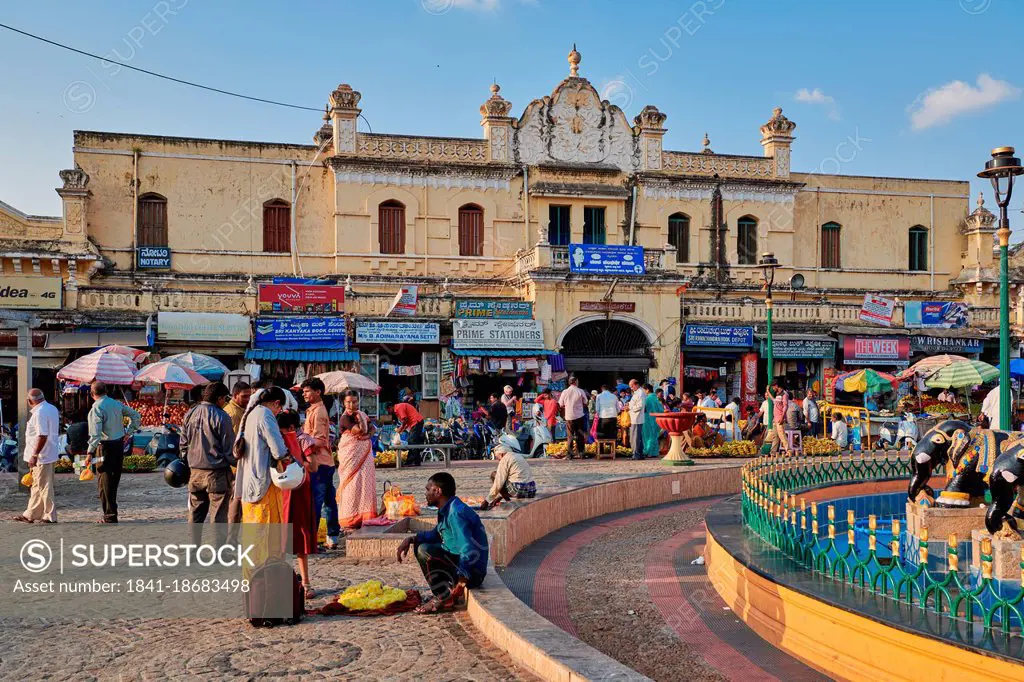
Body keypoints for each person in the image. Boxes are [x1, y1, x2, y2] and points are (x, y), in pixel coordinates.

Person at [396, 472, 488, 614]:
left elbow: (468, 549)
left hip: (472, 573)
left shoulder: (455, 513)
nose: (425, 494)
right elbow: (436, 534)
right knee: (420, 544)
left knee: (424, 551)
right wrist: (411, 539)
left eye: (428, 489)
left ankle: (444, 596)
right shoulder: (447, 509)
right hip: (458, 561)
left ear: (438, 491)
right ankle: (444, 592)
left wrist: (460, 585)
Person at [180, 382, 235, 542]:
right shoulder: (222, 416)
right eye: (224, 399)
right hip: (216, 473)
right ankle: (218, 551)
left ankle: (193, 549)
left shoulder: (190, 413)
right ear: (219, 398)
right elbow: (229, 449)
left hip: (195, 472)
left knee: (195, 515)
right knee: (218, 516)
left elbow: (183, 444)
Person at [83, 381, 141, 523]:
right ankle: (111, 512)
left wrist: (90, 452)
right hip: (118, 445)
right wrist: (129, 432)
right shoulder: (116, 404)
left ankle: (109, 515)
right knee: (113, 480)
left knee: (105, 481)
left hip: (104, 447)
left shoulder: (97, 408)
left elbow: (95, 434)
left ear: (92, 394)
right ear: (106, 391)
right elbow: (136, 416)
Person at [277, 410, 318, 599]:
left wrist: (296, 462)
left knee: (300, 535)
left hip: (300, 491)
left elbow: (313, 466)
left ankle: (306, 582)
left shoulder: (304, 440)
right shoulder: (278, 441)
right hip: (281, 492)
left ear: (291, 428)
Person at [301, 377, 339, 549]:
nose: (304, 394)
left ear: (318, 392)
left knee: (317, 502)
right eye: (303, 391)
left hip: (320, 462)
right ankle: (332, 535)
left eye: (307, 391)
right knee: (329, 500)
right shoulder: (313, 410)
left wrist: (299, 443)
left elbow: (319, 441)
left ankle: (313, 540)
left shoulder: (319, 412)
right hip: (325, 462)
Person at [14, 389, 60, 524]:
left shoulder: (39, 413)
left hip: (42, 456)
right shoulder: (51, 408)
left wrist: (34, 455)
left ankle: (50, 515)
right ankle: (31, 513)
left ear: (30, 401)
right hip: (47, 453)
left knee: (45, 486)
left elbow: (42, 435)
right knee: (37, 485)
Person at [337, 390, 378, 530]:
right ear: (343, 403)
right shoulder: (345, 418)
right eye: (348, 402)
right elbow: (359, 431)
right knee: (351, 484)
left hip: (365, 454)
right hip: (351, 453)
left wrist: (368, 436)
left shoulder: (362, 414)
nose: (351, 404)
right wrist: (360, 419)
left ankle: (365, 515)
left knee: (365, 481)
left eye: (354, 401)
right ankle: (350, 517)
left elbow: (372, 429)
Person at [480, 441, 536, 510]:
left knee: (494, 475)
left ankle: (508, 501)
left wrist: (487, 501)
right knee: (505, 478)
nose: (498, 461)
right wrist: (500, 497)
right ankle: (507, 499)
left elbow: (498, 483)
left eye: (498, 458)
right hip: (531, 490)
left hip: (519, 489)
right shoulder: (518, 456)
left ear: (502, 454)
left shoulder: (505, 459)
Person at [559, 377, 588, 459]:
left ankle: (570, 454)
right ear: (575, 382)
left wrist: (568, 405)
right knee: (580, 435)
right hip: (579, 416)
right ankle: (581, 453)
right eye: (577, 381)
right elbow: (586, 402)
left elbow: (560, 404)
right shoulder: (580, 391)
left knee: (570, 436)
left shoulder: (565, 392)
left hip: (569, 416)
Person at [393, 399, 425, 466]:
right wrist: (402, 429)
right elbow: (406, 421)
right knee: (414, 442)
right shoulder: (400, 407)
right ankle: (417, 462)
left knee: (412, 441)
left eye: (388, 410)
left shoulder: (398, 407)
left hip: (416, 422)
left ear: (390, 407)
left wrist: (400, 429)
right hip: (415, 423)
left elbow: (405, 419)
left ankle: (410, 461)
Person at [628, 379, 647, 461]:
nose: (631, 388)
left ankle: (636, 454)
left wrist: (629, 408)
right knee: (637, 437)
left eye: (632, 386)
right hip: (635, 417)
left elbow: (640, 406)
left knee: (635, 437)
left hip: (637, 418)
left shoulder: (641, 392)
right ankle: (639, 454)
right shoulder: (637, 392)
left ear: (636, 384)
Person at [767, 385, 789, 455]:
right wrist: (767, 391)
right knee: (775, 436)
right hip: (775, 418)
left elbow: (785, 406)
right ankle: (772, 452)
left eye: (773, 387)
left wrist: (782, 417)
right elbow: (773, 400)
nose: (773, 389)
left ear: (776, 386)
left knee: (782, 435)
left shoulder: (784, 394)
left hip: (780, 418)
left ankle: (788, 451)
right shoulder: (777, 394)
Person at [643, 383, 663, 458]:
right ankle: (654, 452)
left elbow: (644, 409)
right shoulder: (655, 398)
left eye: (644, 390)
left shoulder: (648, 398)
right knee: (654, 436)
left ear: (647, 390)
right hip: (656, 419)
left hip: (648, 419)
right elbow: (661, 409)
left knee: (648, 436)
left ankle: (648, 451)